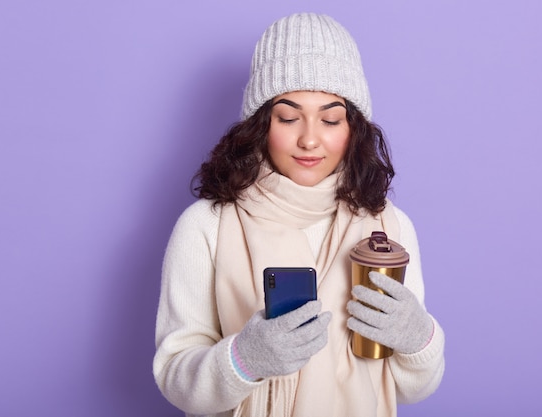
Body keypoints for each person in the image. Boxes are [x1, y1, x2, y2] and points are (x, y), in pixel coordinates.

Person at [153, 12, 445, 417]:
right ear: (260, 124)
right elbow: (175, 378)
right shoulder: (207, 225)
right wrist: (243, 359)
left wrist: (419, 339)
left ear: (353, 128)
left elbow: (413, 389)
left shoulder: (389, 227)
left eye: (330, 119)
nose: (309, 138)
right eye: (288, 117)